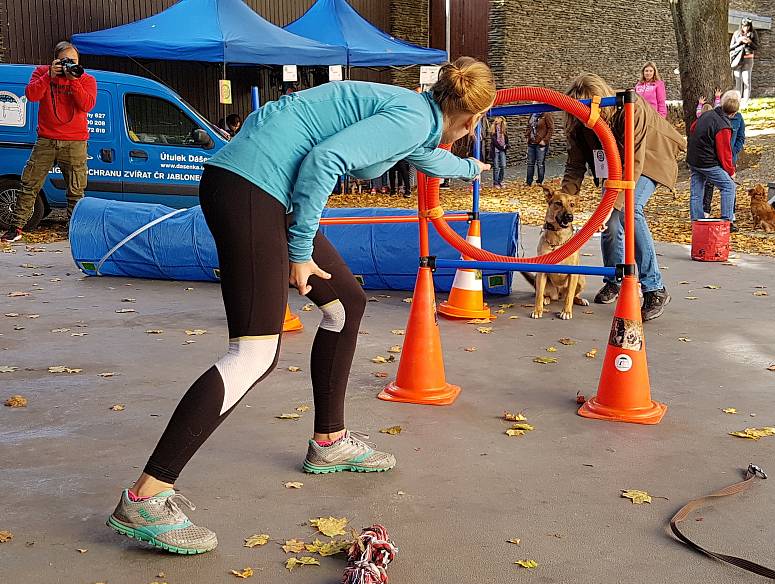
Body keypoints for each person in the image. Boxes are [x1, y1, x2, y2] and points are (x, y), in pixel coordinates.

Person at [105, 57, 494, 555]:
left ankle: (329, 443)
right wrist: (302, 249)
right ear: (471, 119)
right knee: (254, 353)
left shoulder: (413, 116)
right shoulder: (414, 118)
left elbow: (423, 156)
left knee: (346, 304)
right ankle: (147, 496)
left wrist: (468, 168)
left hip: (263, 189)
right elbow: (325, 161)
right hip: (251, 190)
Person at [561, 73, 685, 321]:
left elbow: (635, 165)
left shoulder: (630, 107)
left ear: (600, 103)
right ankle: (615, 278)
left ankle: (655, 287)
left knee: (627, 210)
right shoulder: (578, 124)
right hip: (617, 167)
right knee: (611, 221)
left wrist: (610, 205)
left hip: (650, 159)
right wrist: (563, 199)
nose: (584, 121)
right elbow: (575, 166)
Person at [1, 42, 96, 243]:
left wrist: (73, 81)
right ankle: (16, 227)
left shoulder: (86, 79)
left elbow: (86, 105)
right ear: (55, 61)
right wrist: (49, 76)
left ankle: (74, 231)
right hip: (46, 139)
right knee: (29, 184)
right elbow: (31, 95)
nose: (70, 65)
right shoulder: (42, 73)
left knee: (76, 190)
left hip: (75, 142)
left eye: (74, 61)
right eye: (65, 61)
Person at [688, 90, 740, 231]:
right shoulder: (723, 125)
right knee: (729, 186)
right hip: (707, 161)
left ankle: (697, 222)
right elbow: (725, 152)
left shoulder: (707, 115)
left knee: (696, 191)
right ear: (734, 113)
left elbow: (693, 128)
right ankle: (727, 221)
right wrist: (730, 171)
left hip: (693, 158)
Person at [702, 90, 745, 218]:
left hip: (730, 156)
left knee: (730, 183)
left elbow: (741, 137)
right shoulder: (715, 117)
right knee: (709, 183)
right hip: (714, 156)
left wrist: (734, 150)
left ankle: (730, 212)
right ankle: (705, 210)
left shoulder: (738, 118)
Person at [730, 18, 759, 107]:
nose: (745, 28)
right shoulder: (736, 33)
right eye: (743, 26)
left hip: (748, 60)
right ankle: (737, 101)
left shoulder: (753, 34)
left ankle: (745, 101)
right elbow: (731, 47)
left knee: (746, 80)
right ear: (741, 26)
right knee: (738, 80)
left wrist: (750, 42)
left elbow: (756, 47)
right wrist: (739, 41)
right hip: (738, 59)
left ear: (750, 26)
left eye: (747, 26)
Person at [525, 111, 554, 185]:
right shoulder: (532, 114)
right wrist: (527, 135)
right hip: (531, 142)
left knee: (540, 163)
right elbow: (529, 126)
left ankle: (540, 181)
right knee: (530, 163)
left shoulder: (546, 114)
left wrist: (545, 140)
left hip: (541, 143)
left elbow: (551, 128)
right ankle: (528, 182)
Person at [490, 116, 508, 188]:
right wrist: (501, 147)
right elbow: (494, 141)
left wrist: (506, 146)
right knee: (496, 167)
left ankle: (500, 181)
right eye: (496, 118)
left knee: (503, 166)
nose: (496, 119)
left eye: (498, 118)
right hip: (496, 150)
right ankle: (495, 183)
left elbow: (506, 139)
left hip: (502, 150)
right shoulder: (493, 129)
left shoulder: (504, 129)